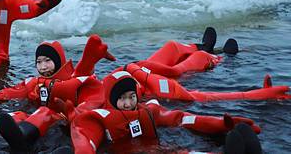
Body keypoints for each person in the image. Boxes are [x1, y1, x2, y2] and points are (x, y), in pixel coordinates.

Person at [0, 34, 115, 151]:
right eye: (39, 62)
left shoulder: (75, 80)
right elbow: (1, 95)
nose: (43, 66)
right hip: (34, 120)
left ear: (59, 61)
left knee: (44, 112)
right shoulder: (32, 82)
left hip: (63, 122)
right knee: (15, 115)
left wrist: (75, 115)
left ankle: (22, 139)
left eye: (48, 61)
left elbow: (93, 100)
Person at [61, 70, 262, 154]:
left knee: (179, 152)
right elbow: (83, 137)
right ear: (112, 100)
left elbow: (180, 118)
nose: (128, 102)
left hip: (154, 148)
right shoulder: (99, 118)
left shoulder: (148, 110)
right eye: (122, 99)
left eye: (132, 97)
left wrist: (221, 123)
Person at [115, 28, 290, 102]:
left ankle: (203, 47)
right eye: (126, 99)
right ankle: (220, 56)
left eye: (128, 97)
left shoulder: (113, 81)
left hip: (138, 73)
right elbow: (205, 97)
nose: (128, 102)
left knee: (171, 47)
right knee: (179, 69)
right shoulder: (152, 98)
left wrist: (133, 68)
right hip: (151, 78)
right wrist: (260, 94)